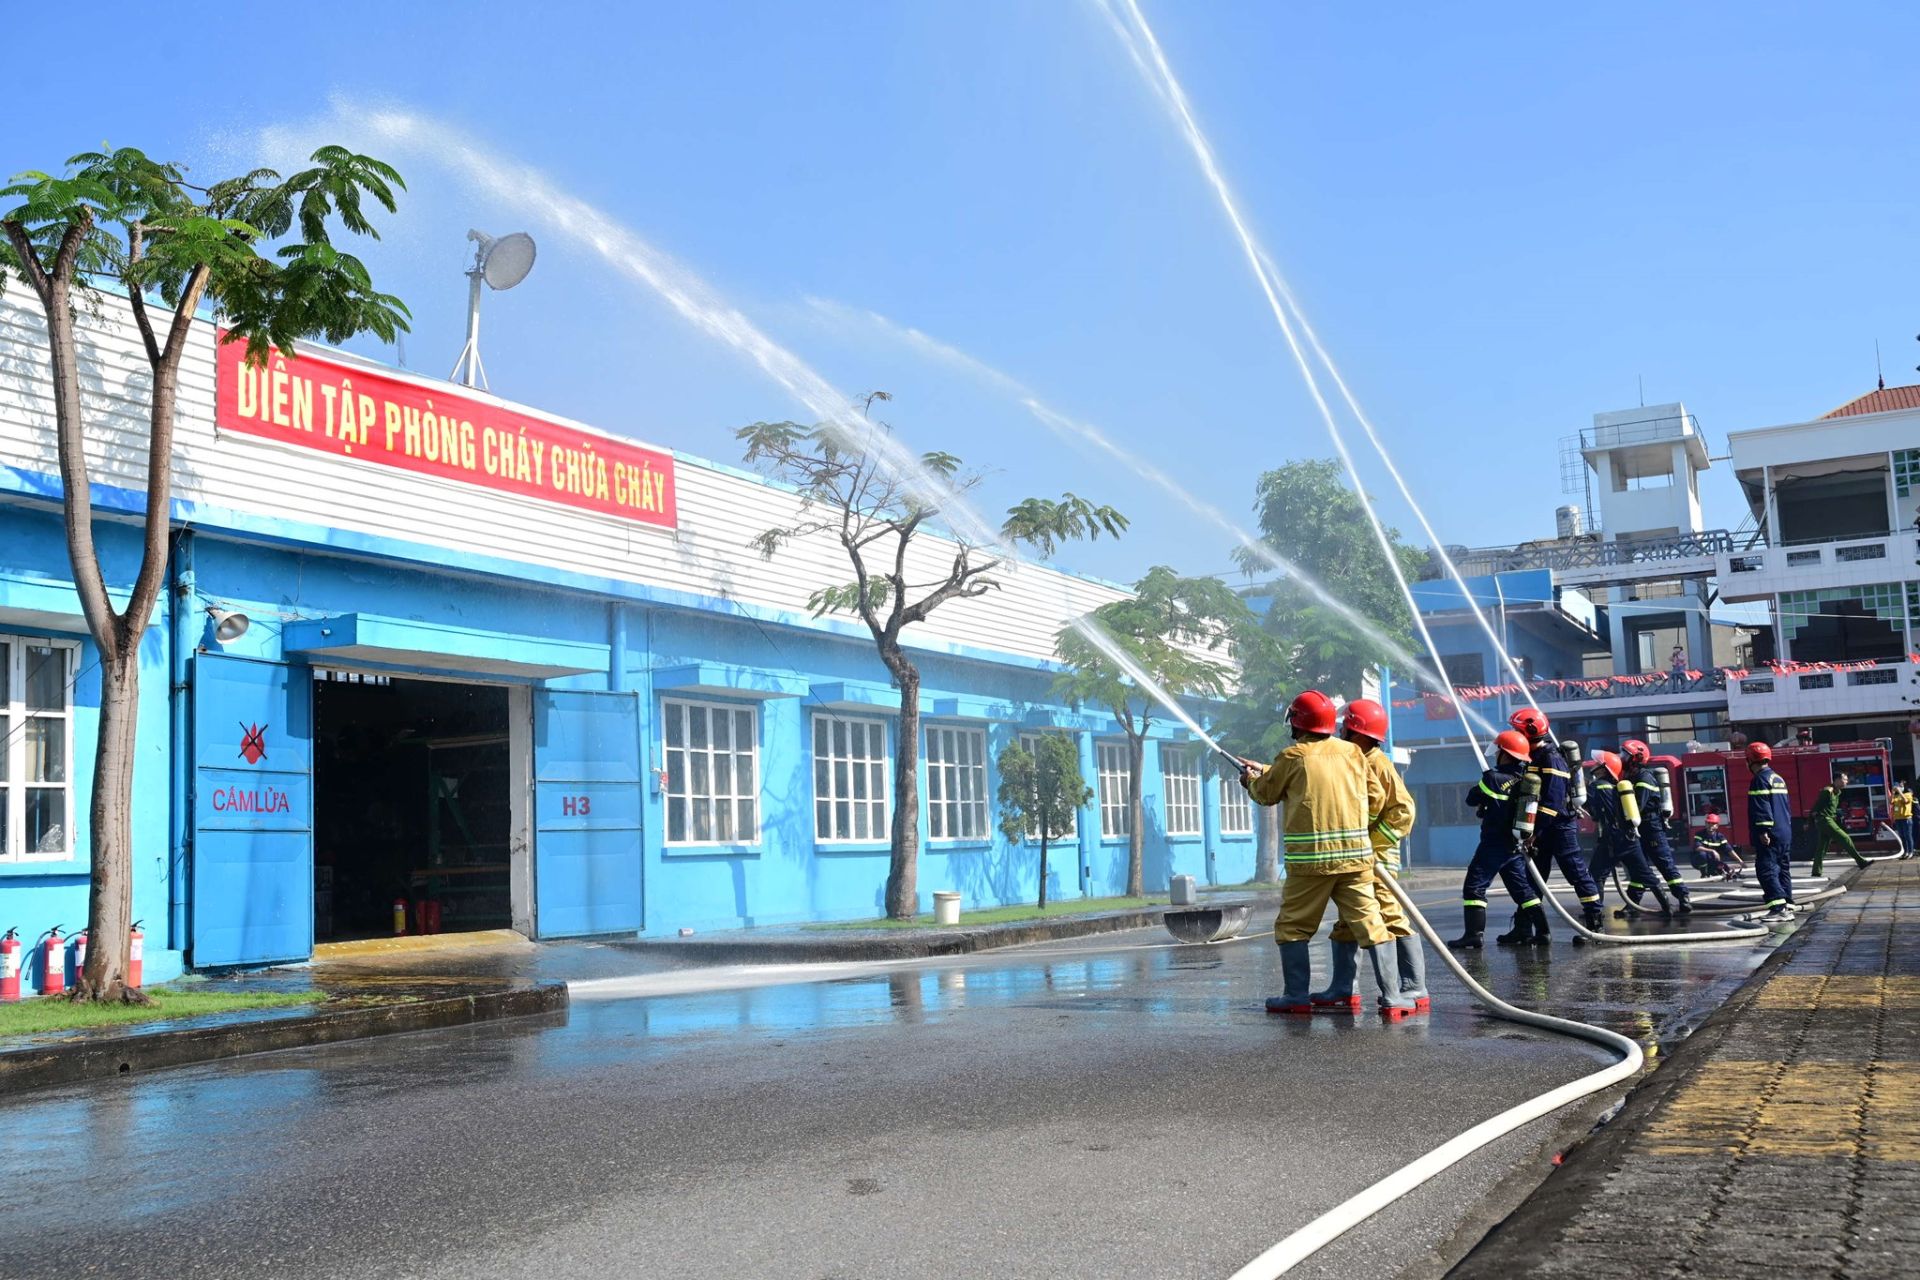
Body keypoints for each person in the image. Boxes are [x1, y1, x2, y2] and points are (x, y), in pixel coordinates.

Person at [1241, 691, 1416, 1018]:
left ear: (1296, 722)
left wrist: (1250, 781)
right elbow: (1375, 797)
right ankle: (1393, 998)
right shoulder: (1352, 752)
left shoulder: (1292, 756)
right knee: (1372, 924)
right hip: (1356, 861)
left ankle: (1295, 996)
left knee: (1293, 927)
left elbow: (1267, 793)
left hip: (1311, 865)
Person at [1315, 698, 1427, 1012]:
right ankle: (1342, 988)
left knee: (1389, 916)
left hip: (1377, 858)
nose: (1339, 731)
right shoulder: (1356, 759)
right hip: (1359, 854)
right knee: (1350, 919)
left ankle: (1414, 986)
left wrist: (1373, 844)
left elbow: (1403, 811)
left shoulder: (1376, 762)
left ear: (1359, 733)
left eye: (1345, 727)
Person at [1449, 730, 1546, 949]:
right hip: (1514, 845)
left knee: (1474, 886)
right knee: (1523, 890)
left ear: (1506, 754)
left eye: (1499, 751)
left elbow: (1471, 799)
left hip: (1494, 843)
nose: (1495, 755)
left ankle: (1473, 934)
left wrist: (1486, 783)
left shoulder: (1493, 778)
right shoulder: (1523, 780)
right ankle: (1543, 931)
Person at [1509, 709, 1604, 933]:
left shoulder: (1550, 757)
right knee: (1533, 877)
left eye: (1517, 730)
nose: (1515, 733)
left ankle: (1595, 925)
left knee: (1576, 872)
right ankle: (1523, 928)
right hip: (1541, 827)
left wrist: (1533, 832)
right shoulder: (1531, 755)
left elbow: (1552, 803)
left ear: (1529, 731)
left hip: (1559, 826)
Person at [1585, 751, 1674, 918]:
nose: (1594, 765)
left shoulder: (1598, 786)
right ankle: (1668, 908)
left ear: (1605, 768)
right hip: (1630, 838)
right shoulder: (1619, 786)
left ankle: (1595, 913)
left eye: (1597, 763)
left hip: (1611, 840)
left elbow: (1588, 803)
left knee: (1596, 875)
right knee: (1645, 874)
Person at [1622, 740, 1692, 914]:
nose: (1622, 758)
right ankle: (1633, 904)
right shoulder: (1629, 777)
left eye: (1625, 754)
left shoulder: (1644, 777)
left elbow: (1638, 804)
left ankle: (1683, 898)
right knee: (1639, 866)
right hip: (1639, 826)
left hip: (1651, 827)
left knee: (1664, 863)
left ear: (1636, 758)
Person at [1746, 742, 1796, 922]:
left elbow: (1762, 806)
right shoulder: (1778, 778)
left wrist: (1763, 830)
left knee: (1766, 870)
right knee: (1783, 869)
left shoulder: (1759, 779)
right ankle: (1788, 904)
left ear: (1750, 760)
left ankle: (1778, 908)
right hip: (1784, 832)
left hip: (1771, 834)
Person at [1810, 769, 1869, 876]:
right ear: (1837, 780)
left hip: (1828, 820)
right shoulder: (1827, 791)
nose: (1847, 782)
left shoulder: (1838, 792)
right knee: (1845, 838)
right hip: (1824, 820)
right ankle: (1861, 861)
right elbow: (1816, 807)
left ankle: (1816, 871)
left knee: (1822, 847)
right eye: (1844, 779)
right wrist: (1808, 822)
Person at [1692, 814, 1740, 879]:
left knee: (1723, 869)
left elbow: (1729, 850)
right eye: (1708, 823)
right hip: (1698, 860)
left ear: (1717, 826)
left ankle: (1722, 872)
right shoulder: (1699, 834)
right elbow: (1697, 848)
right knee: (1702, 855)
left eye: (1713, 824)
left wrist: (1740, 861)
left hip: (1713, 860)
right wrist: (1712, 851)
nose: (1710, 825)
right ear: (1705, 824)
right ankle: (1704, 874)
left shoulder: (1720, 837)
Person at [1889, 782, 1914, 858]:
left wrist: (1899, 791)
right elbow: (1891, 802)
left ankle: (1911, 852)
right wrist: (1893, 793)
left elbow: (1906, 801)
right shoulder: (1896, 796)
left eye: (1900, 786)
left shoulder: (1908, 794)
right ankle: (1905, 852)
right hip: (1898, 819)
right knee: (1902, 836)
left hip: (1906, 818)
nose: (1898, 787)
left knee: (1908, 836)